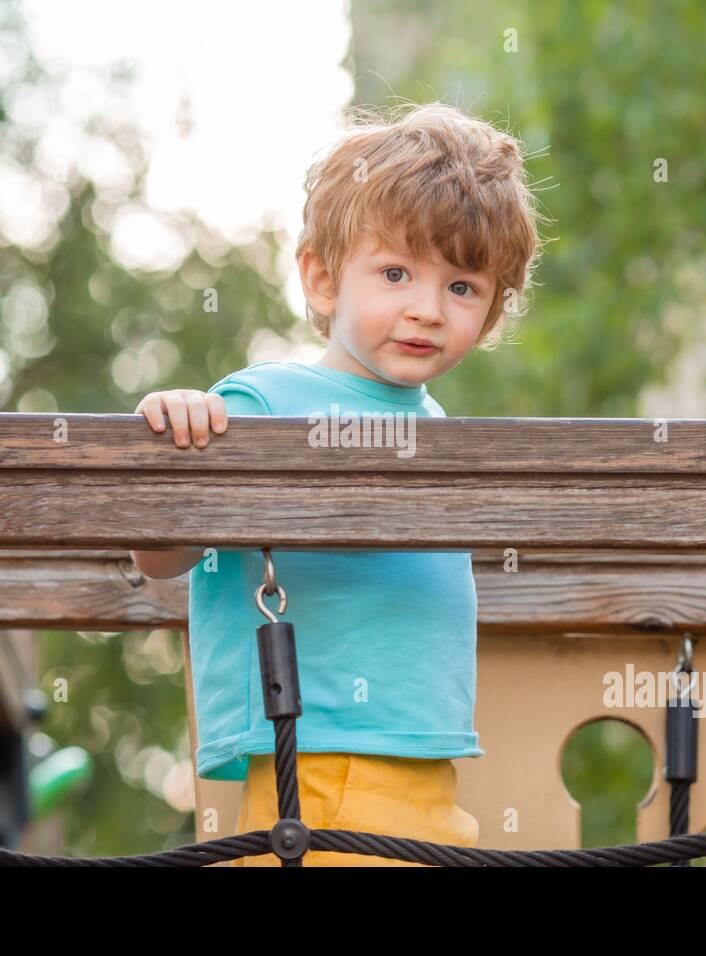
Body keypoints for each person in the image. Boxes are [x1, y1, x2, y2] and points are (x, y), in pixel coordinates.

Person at [131, 101, 543, 865]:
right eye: (395, 274)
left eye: (463, 287)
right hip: (320, 764)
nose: (427, 310)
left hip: (423, 766)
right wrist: (178, 439)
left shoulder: (438, 426)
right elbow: (158, 555)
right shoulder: (261, 404)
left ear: (491, 312)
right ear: (323, 279)